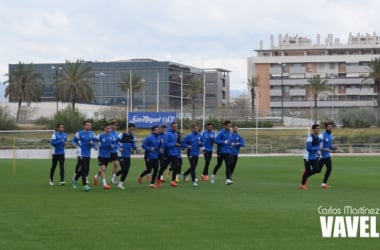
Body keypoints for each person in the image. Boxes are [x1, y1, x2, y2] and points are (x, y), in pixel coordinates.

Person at [71, 120, 96, 191]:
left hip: (88, 153)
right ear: (84, 126)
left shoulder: (92, 133)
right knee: (84, 169)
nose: (89, 126)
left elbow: (94, 142)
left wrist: (93, 144)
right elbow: (73, 140)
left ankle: (75, 179)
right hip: (81, 153)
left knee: (85, 169)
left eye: (90, 125)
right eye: (87, 125)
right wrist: (74, 144)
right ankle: (85, 185)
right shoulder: (79, 133)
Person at [157, 121, 180, 187]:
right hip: (168, 154)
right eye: (174, 127)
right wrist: (174, 144)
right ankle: (158, 179)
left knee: (176, 166)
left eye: (176, 127)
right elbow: (166, 144)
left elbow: (176, 142)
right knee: (163, 167)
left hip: (174, 154)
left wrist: (178, 144)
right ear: (171, 127)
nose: (175, 128)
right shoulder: (167, 134)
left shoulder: (175, 133)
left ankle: (173, 181)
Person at [210, 120, 233, 185]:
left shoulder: (230, 133)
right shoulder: (221, 133)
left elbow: (229, 141)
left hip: (228, 152)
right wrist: (224, 142)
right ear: (225, 126)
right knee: (219, 165)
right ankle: (213, 175)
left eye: (230, 126)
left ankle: (228, 179)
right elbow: (215, 140)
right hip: (221, 152)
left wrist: (231, 144)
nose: (229, 127)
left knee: (228, 165)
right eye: (228, 126)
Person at [300, 124, 322, 190]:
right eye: (317, 128)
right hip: (307, 157)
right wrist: (317, 148)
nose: (318, 129)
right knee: (308, 171)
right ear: (313, 129)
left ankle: (305, 174)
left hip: (314, 157)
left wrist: (318, 154)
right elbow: (309, 148)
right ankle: (302, 185)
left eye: (319, 128)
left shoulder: (317, 138)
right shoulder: (310, 138)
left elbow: (317, 148)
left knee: (318, 169)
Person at [116, 123, 137, 189]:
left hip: (128, 155)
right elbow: (116, 142)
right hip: (121, 155)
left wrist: (135, 147)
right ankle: (114, 176)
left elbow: (133, 145)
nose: (132, 130)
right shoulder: (122, 134)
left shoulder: (133, 136)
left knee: (126, 170)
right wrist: (119, 147)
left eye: (133, 129)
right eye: (131, 129)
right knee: (124, 169)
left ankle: (120, 184)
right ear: (128, 128)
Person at [318, 122, 338, 189]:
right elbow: (317, 146)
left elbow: (329, 145)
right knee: (318, 170)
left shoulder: (330, 136)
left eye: (331, 126)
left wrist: (333, 148)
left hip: (327, 156)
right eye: (329, 126)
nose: (330, 127)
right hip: (320, 156)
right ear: (326, 127)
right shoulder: (321, 135)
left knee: (329, 168)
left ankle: (323, 184)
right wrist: (324, 149)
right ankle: (306, 173)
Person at [94, 123, 113, 190]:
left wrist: (111, 146)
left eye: (110, 128)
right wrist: (96, 146)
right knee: (103, 169)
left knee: (103, 169)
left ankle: (96, 176)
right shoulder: (100, 135)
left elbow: (111, 145)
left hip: (107, 155)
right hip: (101, 155)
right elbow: (94, 141)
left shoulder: (111, 136)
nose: (109, 129)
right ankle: (104, 184)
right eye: (107, 128)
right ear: (104, 129)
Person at [109, 121, 120, 185]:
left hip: (114, 151)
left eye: (116, 125)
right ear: (111, 126)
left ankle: (112, 179)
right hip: (108, 152)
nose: (116, 127)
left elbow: (117, 141)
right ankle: (96, 176)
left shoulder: (116, 133)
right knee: (104, 167)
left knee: (116, 164)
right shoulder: (108, 132)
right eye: (114, 125)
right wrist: (110, 144)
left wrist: (119, 147)